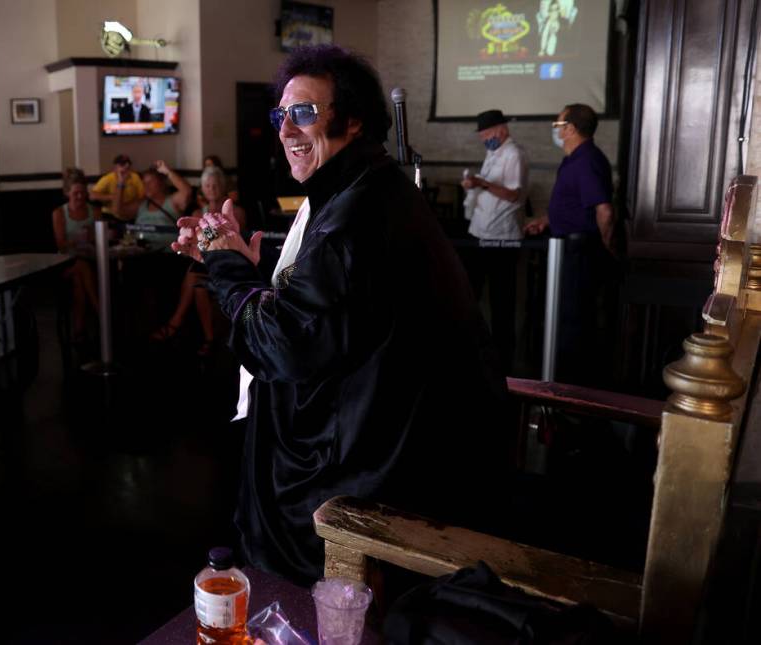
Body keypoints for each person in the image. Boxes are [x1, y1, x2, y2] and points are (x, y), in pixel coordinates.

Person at [173, 45, 508, 583]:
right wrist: (254, 264)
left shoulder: (356, 212)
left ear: (353, 121)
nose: (286, 130)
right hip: (387, 442)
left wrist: (223, 260)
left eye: (304, 112)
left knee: (299, 599)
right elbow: (332, 307)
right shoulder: (366, 187)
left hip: (361, 470)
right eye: (281, 115)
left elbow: (280, 344)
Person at [524, 103, 616, 386]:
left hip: (580, 251)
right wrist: (548, 219)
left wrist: (605, 248)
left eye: (558, 125)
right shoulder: (574, 159)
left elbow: (604, 211)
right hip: (565, 246)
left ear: (571, 129)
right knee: (562, 313)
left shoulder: (587, 160)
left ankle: (571, 388)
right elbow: (575, 205)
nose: (556, 130)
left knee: (574, 319)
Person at [460, 109, 528, 373]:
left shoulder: (514, 155)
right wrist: (474, 184)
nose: (484, 140)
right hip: (481, 233)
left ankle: (504, 361)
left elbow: (512, 194)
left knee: (502, 301)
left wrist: (483, 183)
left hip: (502, 238)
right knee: (471, 293)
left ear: (501, 129)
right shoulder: (494, 152)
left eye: (487, 134)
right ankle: (474, 349)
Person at [153, 166, 245, 357]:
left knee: (194, 275)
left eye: (215, 185)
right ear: (202, 188)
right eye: (207, 185)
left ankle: (176, 324)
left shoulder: (236, 211)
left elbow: (232, 240)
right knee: (197, 282)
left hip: (231, 261)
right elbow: (197, 242)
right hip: (205, 261)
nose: (211, 189)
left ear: (223, 186)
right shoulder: (197, 212)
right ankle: (208, 338)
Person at [52, 168, 100, 341]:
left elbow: (100, 239)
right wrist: (80, 239)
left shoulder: (94, 211)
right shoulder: (59, 213)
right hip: (65, 263)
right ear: (67, 193)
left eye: (83, 193)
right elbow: (61, 245)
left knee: (80, 280)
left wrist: (93, 237)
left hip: (90, 259)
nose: (80, 196)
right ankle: (100, 311)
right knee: (81, 266)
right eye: (76, 193)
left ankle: (79, 330)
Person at [130, 160, 193, 250]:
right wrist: (121, 182)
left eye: (150, 182)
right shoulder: (141, 204)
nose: (146, 186)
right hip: (140, 253)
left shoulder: (172, 201)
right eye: (144, 183)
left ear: (161, 182)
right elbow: (118, 211)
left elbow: (187, 192)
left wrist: (168, 172)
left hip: (166, 255)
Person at [90, 154, 144, 221]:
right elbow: (92, 195)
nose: (126, 166)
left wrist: (132, 205)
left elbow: (142, 195)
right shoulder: (108, 178)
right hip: (111, 214)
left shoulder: (134, 177)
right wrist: (111, 197)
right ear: (115, 167)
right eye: (122, 164)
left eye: (128, 164)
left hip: (129, 210)